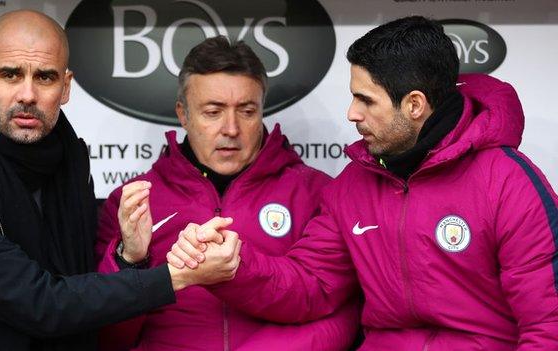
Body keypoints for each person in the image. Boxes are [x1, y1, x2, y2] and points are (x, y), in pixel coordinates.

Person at [169, 16, 558, 350]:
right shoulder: (353, 185)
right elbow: (311, 286)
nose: (352, 113)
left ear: (414, 104)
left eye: (365, 100)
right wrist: (235, 266)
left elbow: (548, 326)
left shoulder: (508, 182)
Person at [0, 10, 238, 351]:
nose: (27, 95)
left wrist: (129, 256)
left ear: (65, 87)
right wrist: (177, 276)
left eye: (45, 78)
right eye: (11, 75)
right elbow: (42, 304)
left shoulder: (67, 156)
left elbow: (81, 285)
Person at [95, 36, 358, 351]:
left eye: (246, 111)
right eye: (213, 112)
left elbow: (343, 311)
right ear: (183, 113)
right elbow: (107, 336)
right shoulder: (133, 201)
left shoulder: (315, 192)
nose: (231, 129)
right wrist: (130, 263)